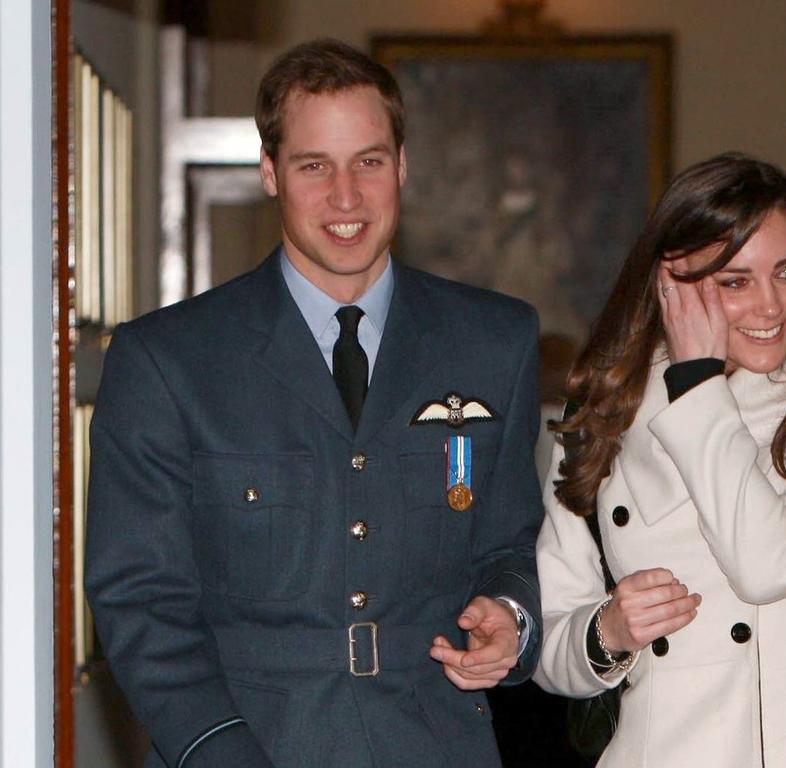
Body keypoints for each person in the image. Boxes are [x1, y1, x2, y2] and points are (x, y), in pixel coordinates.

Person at [85, 39, 543, 768]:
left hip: (437, 743)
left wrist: (509, 619)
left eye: (368, 161)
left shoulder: (495, 340)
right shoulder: (168, 361)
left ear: (403, 164)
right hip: (251, 746)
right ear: (269, 173)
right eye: (313, 167)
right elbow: (140, 599)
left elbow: (513, 542)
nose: (346, 198)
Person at [533, 153, 786, 767]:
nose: (770, 306)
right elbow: (554, 644)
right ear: (673, 283)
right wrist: (607, 633)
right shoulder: (603, 407)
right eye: (736, 281)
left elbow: (765, 565)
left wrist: (697, 383)